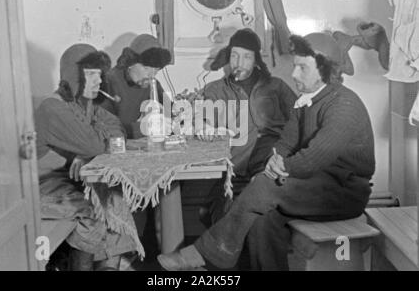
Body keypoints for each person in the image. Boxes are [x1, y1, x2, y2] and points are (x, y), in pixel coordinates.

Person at [157, 32, 375, 271]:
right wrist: (275, 160)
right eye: (295, 66)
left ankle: (203, 253)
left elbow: (314, 158)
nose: (293, 74)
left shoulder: (344, 105)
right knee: (262, 219)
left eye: (302, 67)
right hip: (314, 187)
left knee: (264, 186)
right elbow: (286, 142)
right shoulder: (307, 101)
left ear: (324, 69)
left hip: (343, 193)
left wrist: (279, 169)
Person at [35, 44, 142, 271]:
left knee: (112, 196)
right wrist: (86, 150)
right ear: (74, 76)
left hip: (63, 184)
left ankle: (109, 266)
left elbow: (117, 130)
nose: (99, 81)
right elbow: (94, 145)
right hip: (38, 190)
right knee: (92, 209)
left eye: (99, 75)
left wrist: (82, 155)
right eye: (91, 74)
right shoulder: (52, 107)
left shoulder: (82, 106)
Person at [194, 28, 296, 226]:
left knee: (266, 213)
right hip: (234, 170)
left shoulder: (276, 86)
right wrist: (204, 127)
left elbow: (300, 118)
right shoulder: (215, 90)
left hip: (271, 163)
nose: (239, 63)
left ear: (256, 59)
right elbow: (201, 120)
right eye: (234, 55)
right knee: (221, 214)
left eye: (246, 57)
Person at [103, 34, 172, 139]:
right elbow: (103, 129)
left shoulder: (151, 83)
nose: (151, 75)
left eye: (156, 70)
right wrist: (142, 128)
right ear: (130, 64)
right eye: (146, 68)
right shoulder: (108, 82)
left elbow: (171, 111)